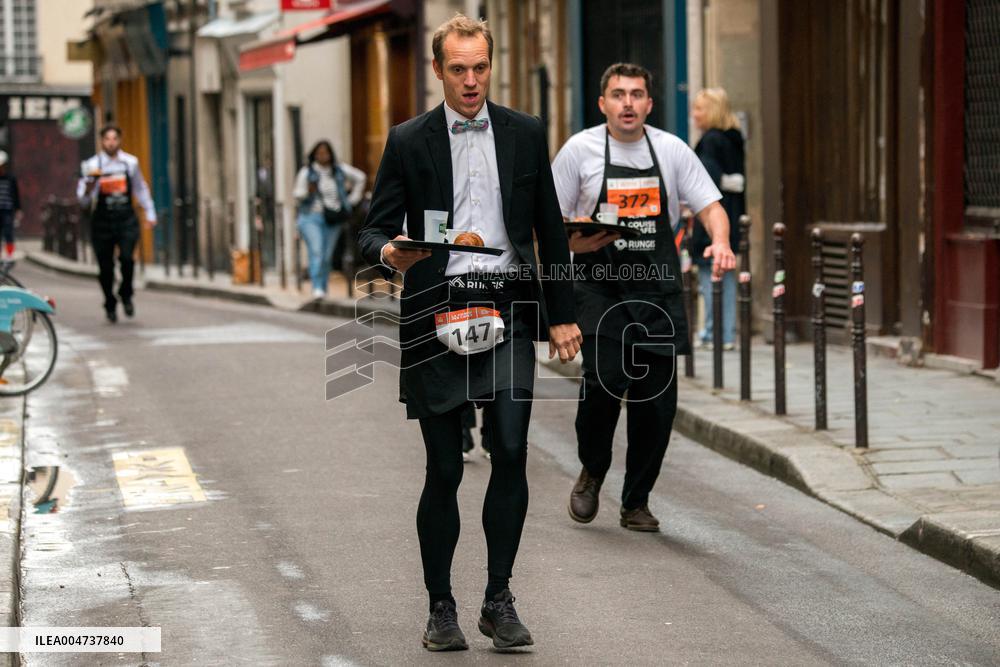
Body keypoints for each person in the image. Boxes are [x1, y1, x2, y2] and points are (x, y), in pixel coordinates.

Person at [358, 14, 581, 652]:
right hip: (437, 309)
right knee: (444, 467)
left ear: (491, 65)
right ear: (438, 71)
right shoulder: (408, 140)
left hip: (508, 305)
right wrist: (390, 254)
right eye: (458, 69)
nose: (471, 80)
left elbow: (549, 228)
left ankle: (499, 599)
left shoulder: (525, 133)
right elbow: (373, 230)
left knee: (510, 450)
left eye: (480, 67)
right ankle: (440, 607)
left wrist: (562, 311)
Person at [551, 63, 735, 532]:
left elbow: (712, 206)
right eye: (618, 94)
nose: (627, 103)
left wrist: (722, 240)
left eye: (636, 94)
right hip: (599, 291)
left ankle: (636, 501)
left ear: (649, 104)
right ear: (603, 104)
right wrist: (570, 244)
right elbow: (548, 225)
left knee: (656, 406)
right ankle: (592, 471)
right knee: (602, 390)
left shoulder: (671, 150)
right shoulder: (580, 151)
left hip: (656, 292)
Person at [77, 124, 157, 323]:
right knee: (105, 267)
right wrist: (89, 187)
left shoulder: (130, 163)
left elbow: (140, 188)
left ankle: (126, 293)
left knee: (128, 258)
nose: (111, 142)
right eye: (107, 139)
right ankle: (109, 302)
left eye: (114, 139)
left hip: (126, 218)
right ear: (102, 141)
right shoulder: (92, 165)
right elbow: (83, 200)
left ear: (119, 141)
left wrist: (150, 212)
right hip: (102, 220)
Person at [691, 87, 745, 350]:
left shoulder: (711, 141)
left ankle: (717, 333)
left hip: (713, 218)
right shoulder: (733, 138)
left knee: (709, 272)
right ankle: (722, 331)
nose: (694, 114)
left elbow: (705, 183)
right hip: (733, 214)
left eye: (699, 108)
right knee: (727, 274)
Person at [292, 140, 366, 298]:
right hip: (311, 217)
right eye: (319, 153)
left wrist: (350, 201)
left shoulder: (338, 170)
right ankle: (317, 287)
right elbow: (297, 194)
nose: (322, 156)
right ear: (314, 155)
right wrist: (308, 191)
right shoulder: (307, 172)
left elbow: (360, 178)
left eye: (325, 152)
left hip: (333, 218)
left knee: (326, 256)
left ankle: (322, 288)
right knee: (317, 251)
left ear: (330, 154)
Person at [0, 152, 21, 258]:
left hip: (8, 210)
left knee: (8, 232)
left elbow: (16, 195)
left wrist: (18, 209)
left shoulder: (11, 178)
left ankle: (9, 255)